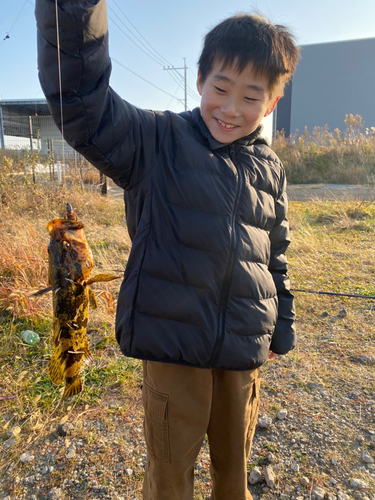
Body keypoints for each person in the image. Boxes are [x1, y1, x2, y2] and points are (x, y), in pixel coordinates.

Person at [35, 2, 299, 499]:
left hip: (243, 351)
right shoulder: (155, 140)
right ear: (200, 79)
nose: (231, 108)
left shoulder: (271, 170)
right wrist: (74, 11)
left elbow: (275, 254)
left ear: (270, 103)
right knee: (170, 473)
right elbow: (84, 104)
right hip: (173, 352)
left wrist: (279, 325)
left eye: (251, 96)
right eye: (221, 88)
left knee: (233, 471)